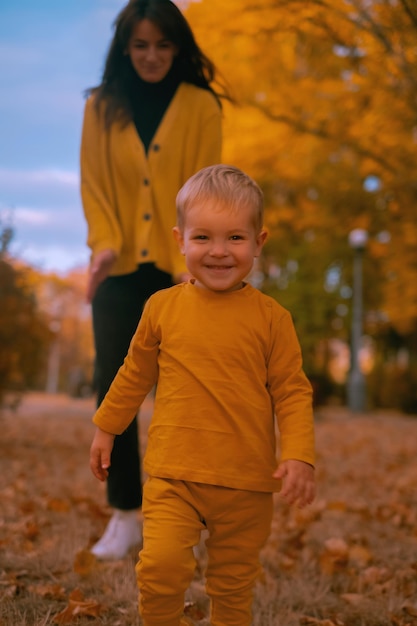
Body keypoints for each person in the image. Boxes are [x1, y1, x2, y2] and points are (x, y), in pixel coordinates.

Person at [89, 164, 316, 626]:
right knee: (161, 567)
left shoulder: (272, 319)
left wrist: (299, 455)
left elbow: (292, 392)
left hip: (246, 483)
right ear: (180, 240)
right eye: (203, 238)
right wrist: (106, 426)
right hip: (175, 474)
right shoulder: (162, 308)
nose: (218, 252)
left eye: (235, 238)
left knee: (232, 588)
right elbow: (134, 373)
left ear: (259, 241)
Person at [80, 0, 229, 560]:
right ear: (125, 47)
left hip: (180, 271)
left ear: (178, 46)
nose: (152, 56)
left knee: (185, 397)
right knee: (114, 392)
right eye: (140, 45)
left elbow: (206, 190)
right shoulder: (101, 107)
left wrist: (196, 255)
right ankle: (124, 515)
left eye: (163, 45)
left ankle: (180, 517)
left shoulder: (201, 106)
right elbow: (93, 185)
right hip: (117, 272)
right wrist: (104, 243)